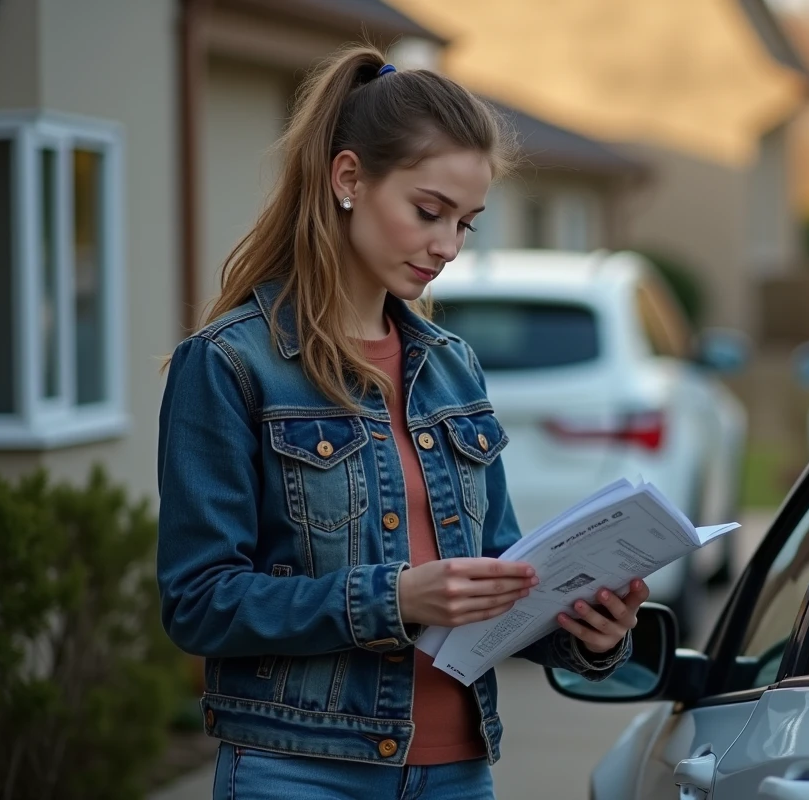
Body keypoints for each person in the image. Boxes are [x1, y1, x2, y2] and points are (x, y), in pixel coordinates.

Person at [156, 44, 648, 800]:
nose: (447, 246)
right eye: (428, 212)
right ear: (348, 178)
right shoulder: (229, 364)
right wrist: (396, 599)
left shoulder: (453, 366)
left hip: (458, 771)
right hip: (300, 771)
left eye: (466, 224)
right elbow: (199, 602)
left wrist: (585, 628)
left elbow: (494, 575)